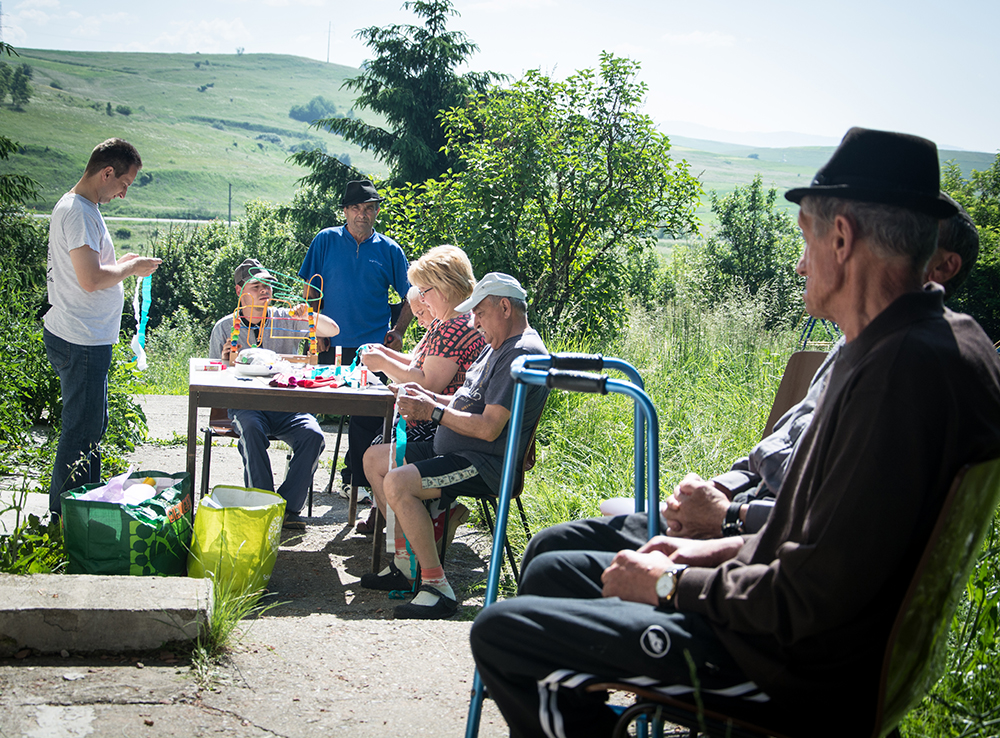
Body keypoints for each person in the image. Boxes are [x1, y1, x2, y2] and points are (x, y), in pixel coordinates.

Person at [469, 128, 1000, 738]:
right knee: (558, 574)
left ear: (843, 238)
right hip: (815, 641)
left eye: (805, 238)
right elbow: (831, 542)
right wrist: (706, 550)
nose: (801, 263)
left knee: (508, 637)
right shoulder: (952, 342)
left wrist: (670, 583)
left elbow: (807, 596)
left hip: (792, 670)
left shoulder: (895, 375)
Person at [655, 197, 980, 539]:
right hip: (752, 517)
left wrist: (727, 518)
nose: (801, 266)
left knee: (595, 552)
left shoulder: (903, 368)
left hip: (760, 537)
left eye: (915, 243)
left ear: (944, 267)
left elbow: (838, 535)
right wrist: (721, 489)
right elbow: (784, 443)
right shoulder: (862, 340)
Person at [361, 273, 548, 620]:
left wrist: (430, 410)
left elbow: (489, 429)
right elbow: (462, 401)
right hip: (457, 450)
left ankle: (437, 589)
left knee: (398, 482)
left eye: (479, 314)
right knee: (375, 459)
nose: (474, 323)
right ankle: (406, 563)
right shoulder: (497, 345)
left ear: (504, 307)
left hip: (484, 461)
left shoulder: (520, 353)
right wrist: (420, 395)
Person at [44, 138, 162, 518]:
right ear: (107, 172)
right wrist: (130, 268)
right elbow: (91, 279)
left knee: (90, 429)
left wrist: (121, 261)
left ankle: (87, 511)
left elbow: (93, 267)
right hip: (80, 339)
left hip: (86, 337)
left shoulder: (83, 207)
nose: (123, 194)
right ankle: (67, 520)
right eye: (124, 184)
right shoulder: (78, 211)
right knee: (80, 433)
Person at [356, 245, 487, 538]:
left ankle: (406, 541)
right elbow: (421, 364)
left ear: (444, 288)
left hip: (438, 426)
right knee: (377, 442)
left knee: (374, 452)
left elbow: (427, 384)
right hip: (446, 420)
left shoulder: (454, 327)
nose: (423, 301)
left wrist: (383, 361)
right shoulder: (454, 322)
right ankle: (406, 529)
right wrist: (386, 357)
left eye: (424, 291)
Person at [298, 179, 413, 494]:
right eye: (356, 208)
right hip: (328, 342)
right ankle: (300, 477)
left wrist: (398, 331)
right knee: (307, 407)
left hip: (373, 349)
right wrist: (314, 328)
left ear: (376, 212)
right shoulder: (325, 240)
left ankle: (357, 482)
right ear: (346, 211)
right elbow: (311, 289)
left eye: (369, 208)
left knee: (366, 416)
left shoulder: (389, 250)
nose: (363, 214)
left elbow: (412, 296)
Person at [209, 258, 340, 529]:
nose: (265, 291)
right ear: (239, 291)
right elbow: (213, 384)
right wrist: (225, 364)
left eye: (268, 285)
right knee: (251, 429)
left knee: (313, 436)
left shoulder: (286, 317)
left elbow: (333, 330)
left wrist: (308, 316)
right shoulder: (225, 328)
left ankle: (287, 508)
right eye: (256, 286)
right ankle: (263, 504)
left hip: (288, 406)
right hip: (246, 405)